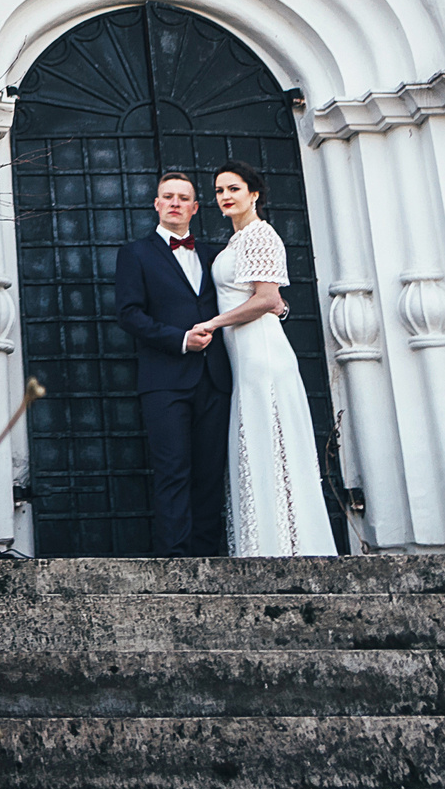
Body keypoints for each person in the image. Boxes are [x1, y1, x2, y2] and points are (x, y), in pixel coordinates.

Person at [184, 161, 337, 557]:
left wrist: (213, 323)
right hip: (245, 359)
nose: (225, 197)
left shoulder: (259, 235)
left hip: (263, 356)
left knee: (274, 446)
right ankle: (266, 543)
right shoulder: (236, 241)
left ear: (254, 194)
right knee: (259, 448)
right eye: (219, 191)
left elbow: (268, 299)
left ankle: (290, 547)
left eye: (233, 188)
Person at [113, 172, 231, 556]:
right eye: (168, 196)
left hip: (215, 379)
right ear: (157, 204)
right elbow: (129, 314)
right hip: (164, 381)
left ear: (195, 208)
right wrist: (180, 340)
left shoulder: (216, 255)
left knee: (210, 474)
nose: (176, 203)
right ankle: (176, 561)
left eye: (184, 198)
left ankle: (208, 557)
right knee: (173, 472)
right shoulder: (135, 253)